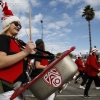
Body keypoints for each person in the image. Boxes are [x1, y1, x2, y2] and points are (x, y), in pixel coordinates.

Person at [0, 2, 35, 100]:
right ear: (7, 24)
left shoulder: (18, 42)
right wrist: (25, 52)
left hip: (18, 87)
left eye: (20, 25)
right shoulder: (3, 38)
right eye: (16, 24)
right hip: (7, 88)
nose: (19, 27)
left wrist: (31, 53)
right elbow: (1, 62)